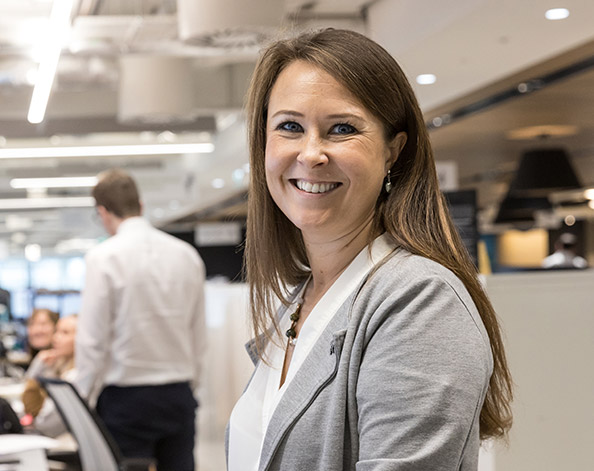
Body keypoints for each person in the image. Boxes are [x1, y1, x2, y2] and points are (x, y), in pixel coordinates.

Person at [228, 28, 513, 470]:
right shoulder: (298, 303)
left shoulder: (420, 301)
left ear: (393, 152)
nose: (311, 153)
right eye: (289, 126)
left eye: (342, 129)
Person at [75, 168, 206, 471]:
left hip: (126, 400)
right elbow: (198, 335)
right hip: (178, 394)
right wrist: (190, 386)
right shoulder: (186, 255)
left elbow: (92, 342)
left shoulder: (103, 258)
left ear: (102, 212)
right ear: (141, 205)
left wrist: (84, 397)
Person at [22, 314, 78, 437]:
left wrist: (36, 369)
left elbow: (45, 425)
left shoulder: (74, 377)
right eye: (57, 331)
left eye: (65, 332)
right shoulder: (57, 368)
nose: (55, 338)